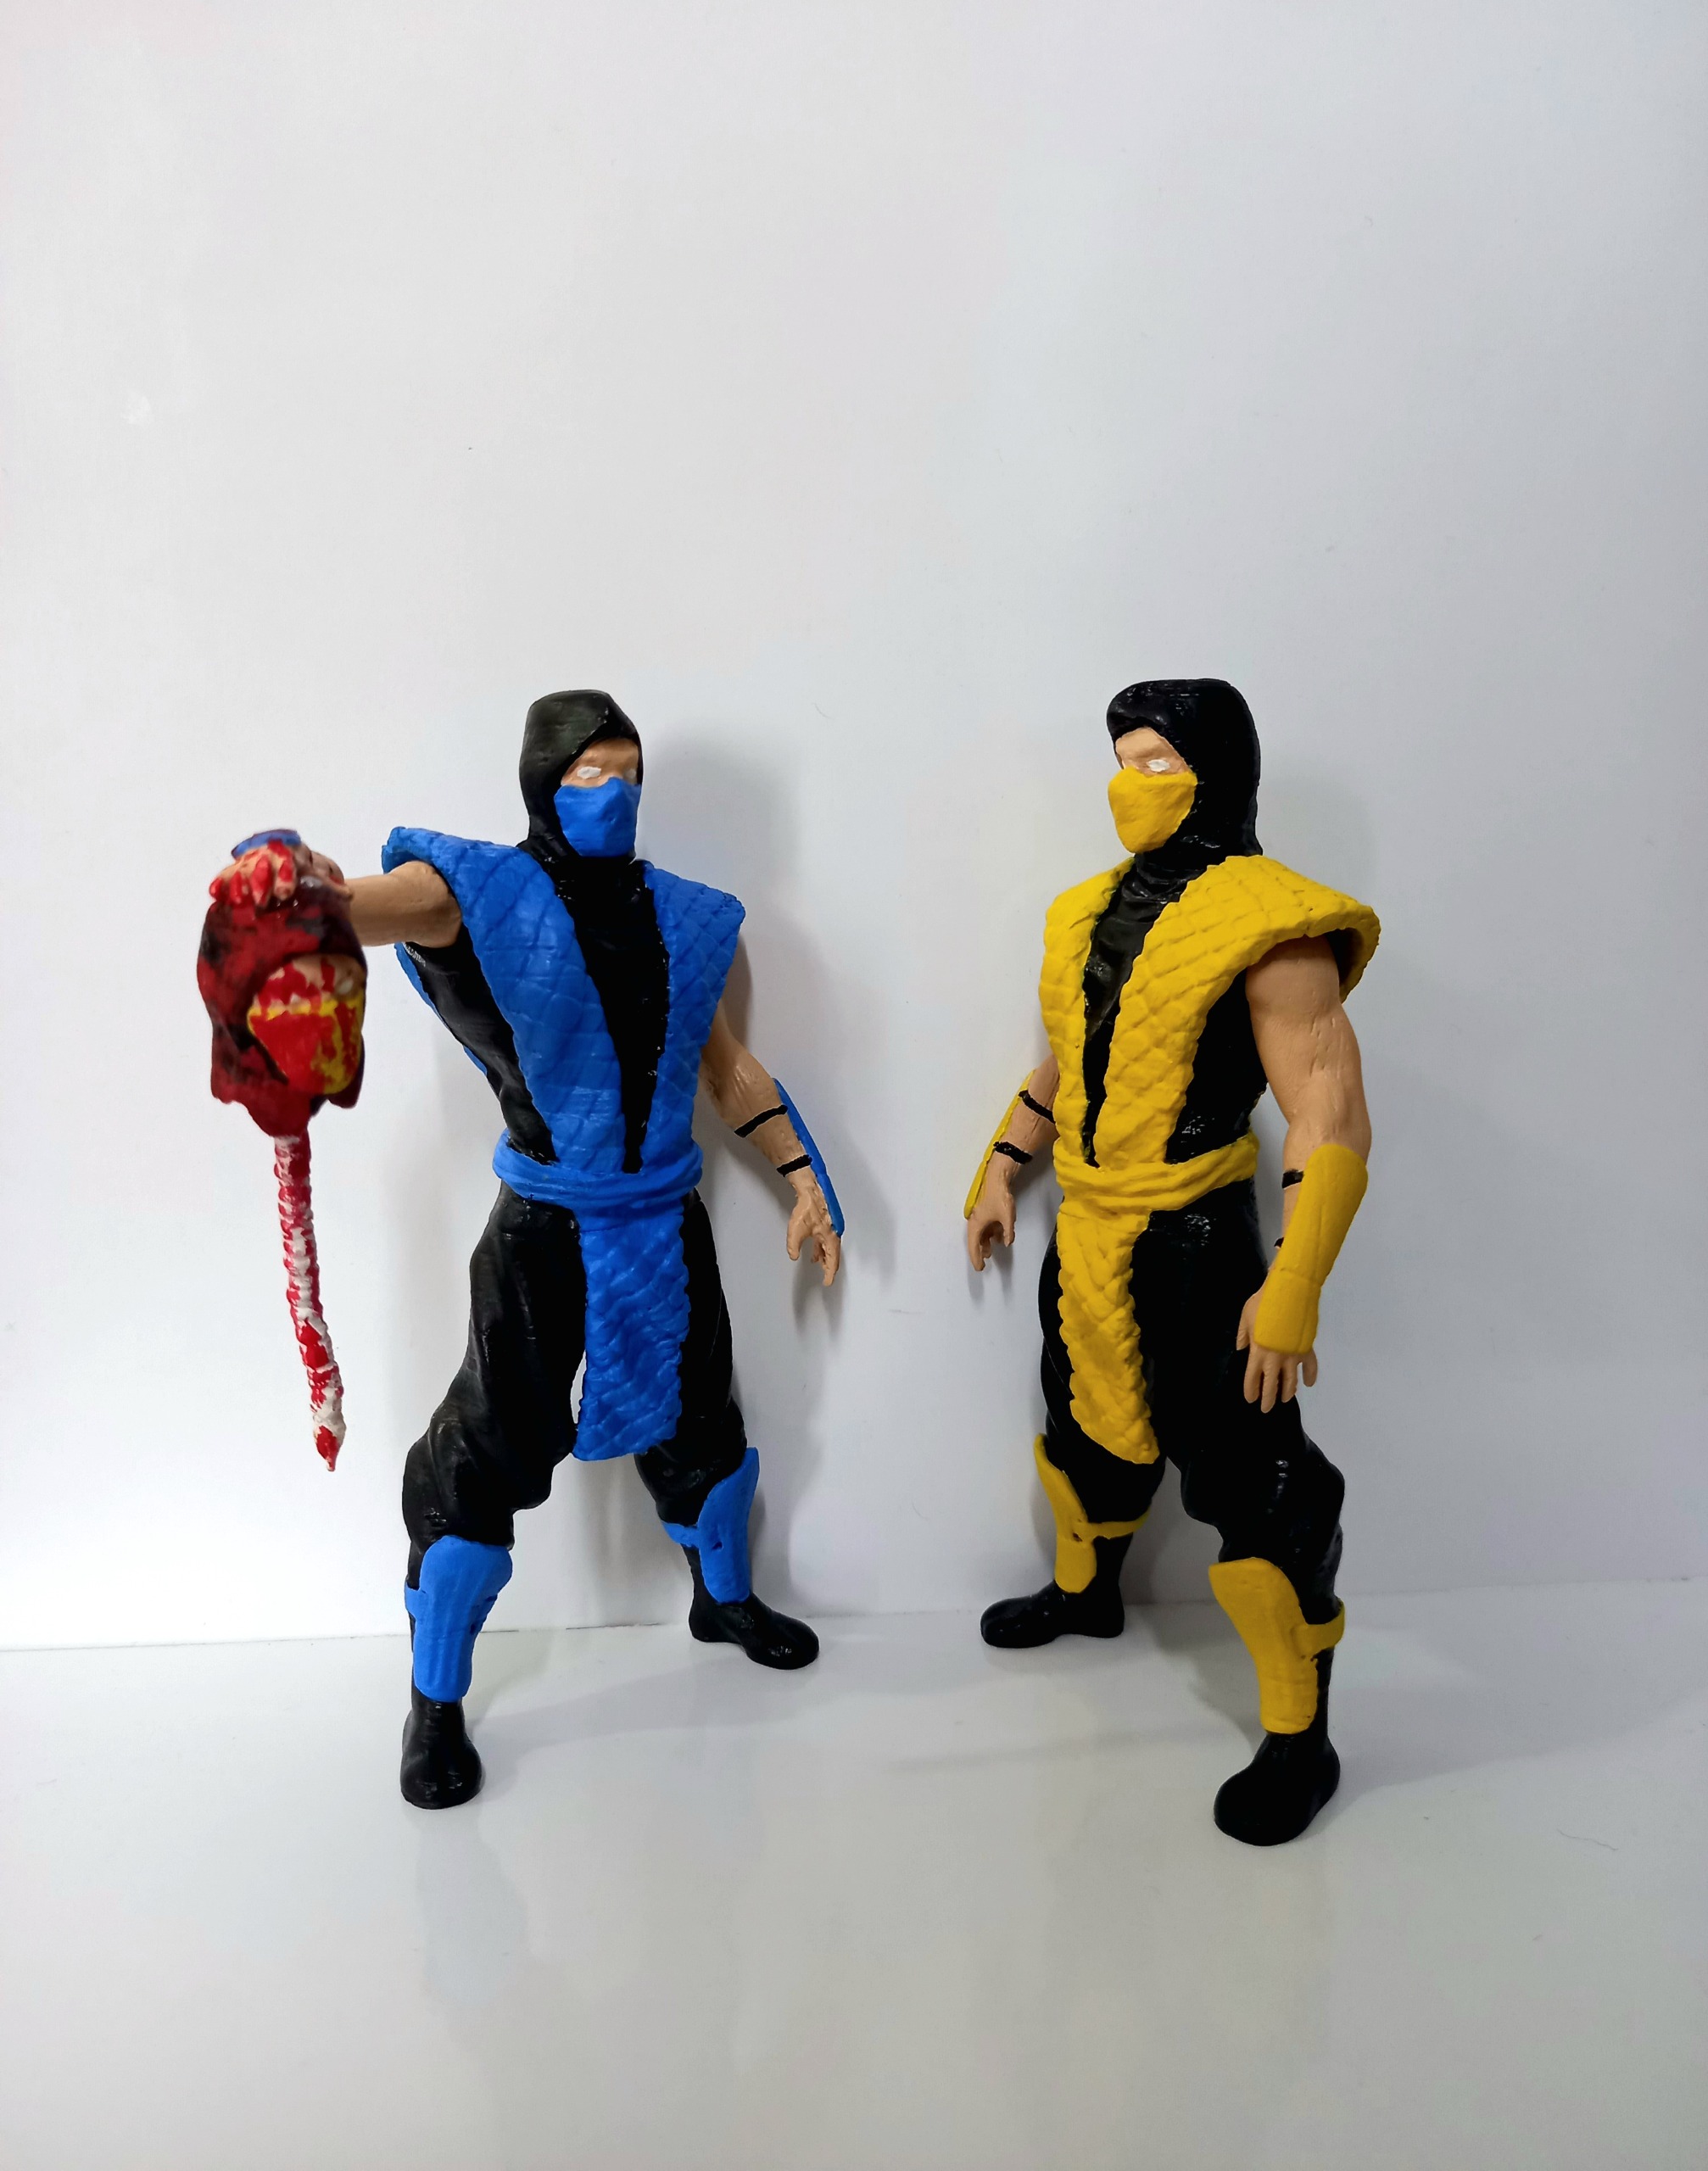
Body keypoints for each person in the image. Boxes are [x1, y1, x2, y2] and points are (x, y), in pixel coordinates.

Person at [215, 691, 842, 1809]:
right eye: (590, 774)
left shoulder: (687, 915)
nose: (614, 794)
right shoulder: (484, 891)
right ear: (543, 784)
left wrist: (802, 1175)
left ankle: (725, 1599)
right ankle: (434, 1701)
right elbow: (374, 907)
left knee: (704, 1417)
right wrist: (298, 893)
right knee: (484, 1453)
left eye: (629, 773)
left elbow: (725, 1066)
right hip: (545, 1232)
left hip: (665, 1217)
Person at [966, 680, 1377, 1845]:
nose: (1131, 785)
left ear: (1218, 773)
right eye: (1122, 760)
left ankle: (1300, 1735)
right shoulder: (1083, 911)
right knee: (1081, 1420)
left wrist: (1293, 1282)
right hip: (1088, 1222)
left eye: (1158, 763)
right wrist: (1004, 1165)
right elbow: (1071, 1058)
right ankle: (1087, 1594)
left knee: (1255, 1476)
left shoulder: (1274, 921)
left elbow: (1328, 1112)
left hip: (1197, 1236)